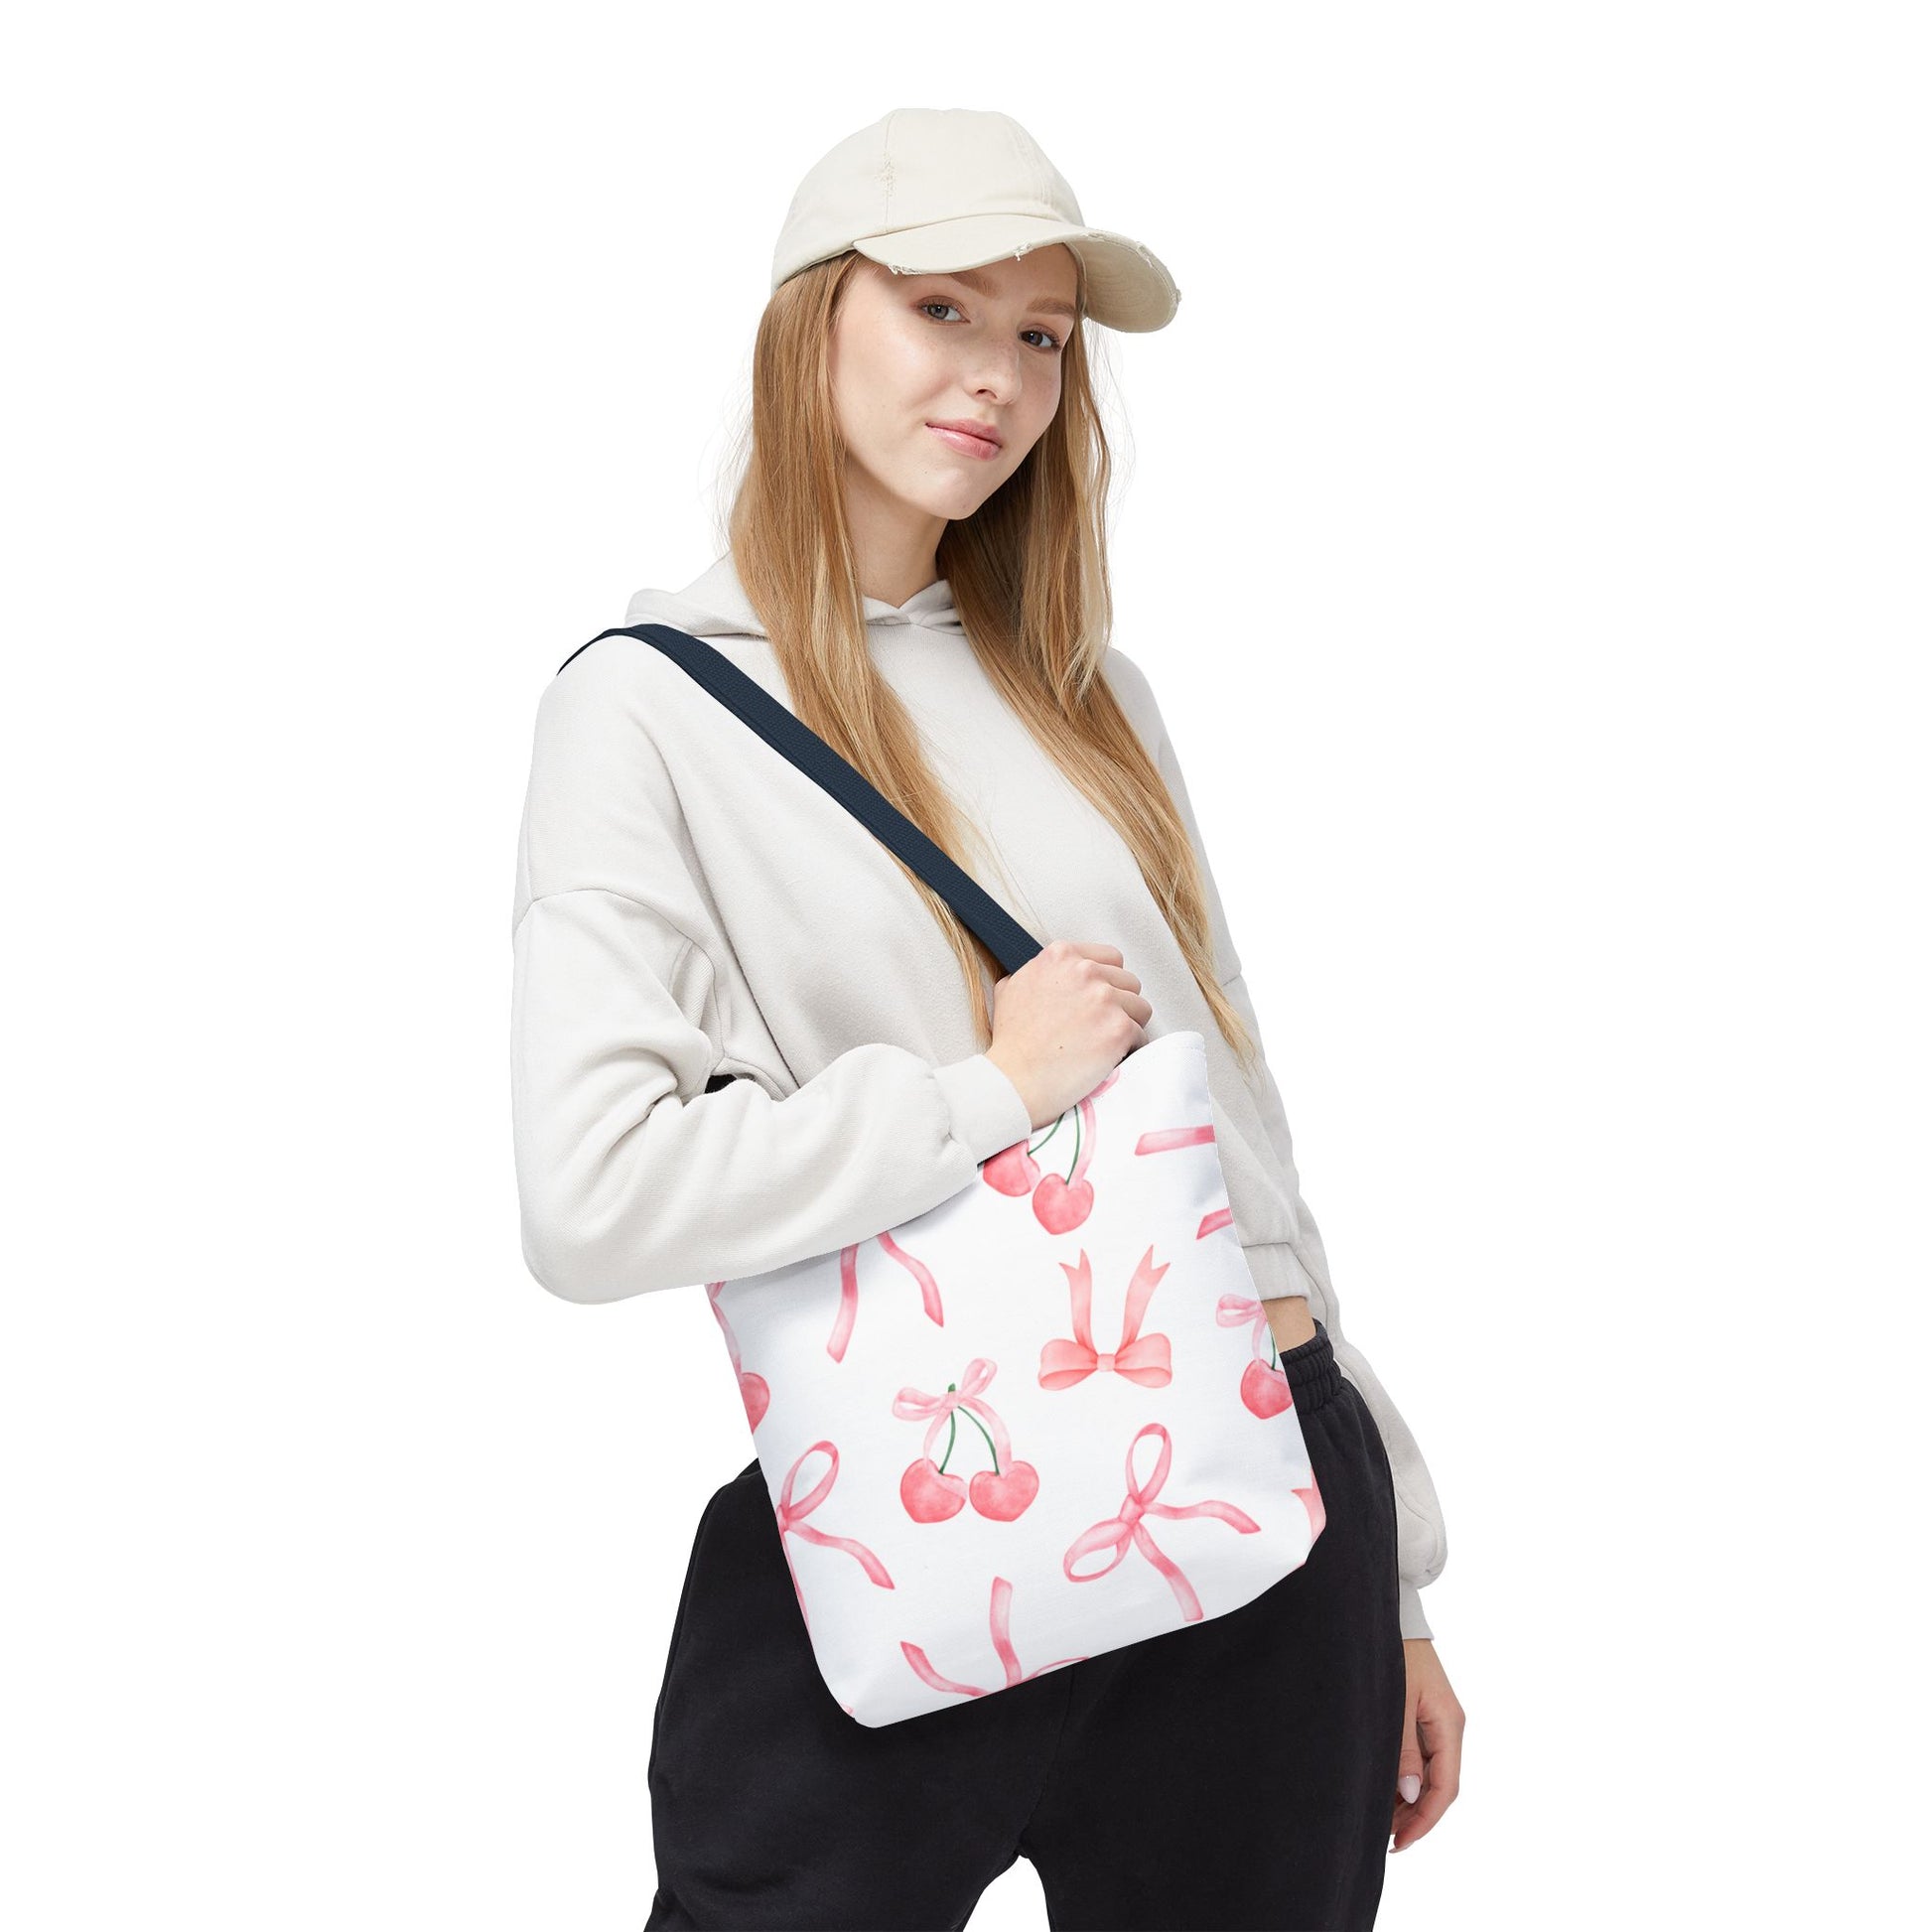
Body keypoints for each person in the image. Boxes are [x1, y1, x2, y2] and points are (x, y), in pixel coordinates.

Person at [510, 106, 1463, 1931]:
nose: (1000, 377)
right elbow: (592, 1193)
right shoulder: (651, 710)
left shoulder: (1090, 691)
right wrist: (990, 1089)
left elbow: (1239, 1144)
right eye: (941, 307)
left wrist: (1398, 1574)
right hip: (921, 1496)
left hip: (1263, 1498)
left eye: (1040, 334)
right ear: (811, 322)